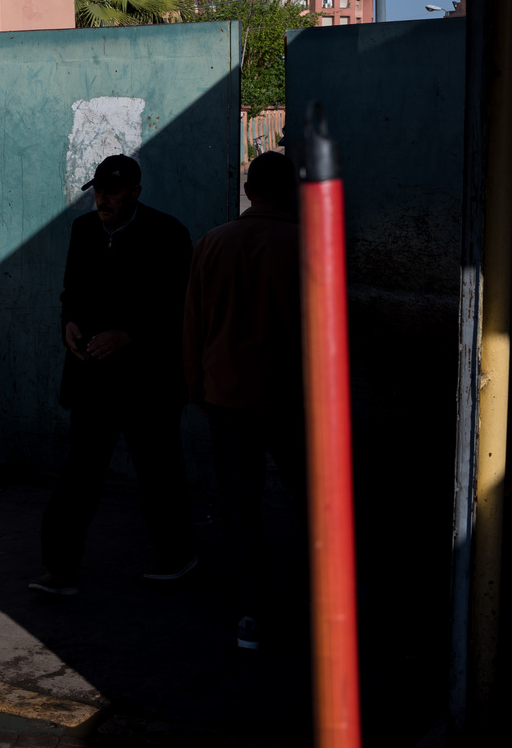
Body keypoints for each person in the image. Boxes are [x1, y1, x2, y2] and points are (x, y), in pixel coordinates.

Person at [32, 155, 197, 595]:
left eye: (114, 191)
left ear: (136, 192)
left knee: (158, 470)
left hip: (149, 381)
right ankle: (60, 568)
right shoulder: (83, 231)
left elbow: (180, 308)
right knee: (80, 472)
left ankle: (177, 555)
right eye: (99, 190)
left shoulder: (168, 234)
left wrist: (130, 336)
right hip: (93, 377)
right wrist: (68, 323)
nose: (103, 199)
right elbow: (71, 293)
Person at [183, 151, 306, 651]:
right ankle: (320, 601)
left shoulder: (212, 243)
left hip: (228, 397)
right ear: (290, 190)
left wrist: (197, 389)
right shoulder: (308, 246)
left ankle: (251, 613)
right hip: (292, 399)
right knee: (310, 501)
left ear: (250, 190)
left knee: (240, 506)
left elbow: (193, 325)